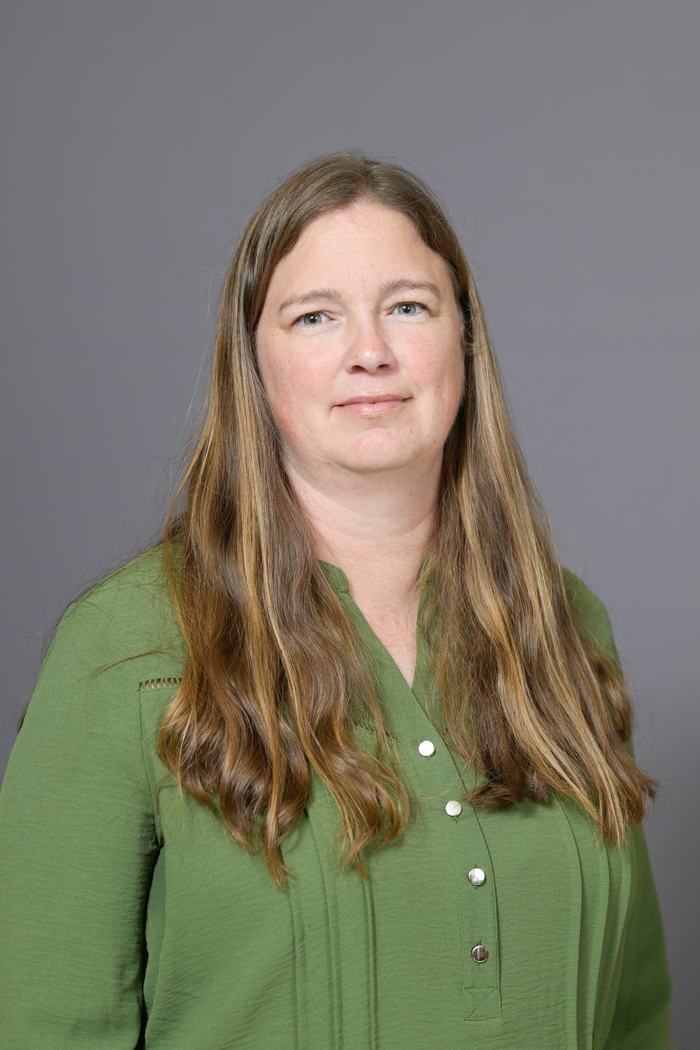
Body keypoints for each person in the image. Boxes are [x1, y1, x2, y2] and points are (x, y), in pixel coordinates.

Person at [0, 149, 672, 1049]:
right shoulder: (125, 646)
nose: (370, 353)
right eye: (315, 316)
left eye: (408, 307)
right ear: (254, 363)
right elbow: (48, 1022)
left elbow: (634, 1012)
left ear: (465, 339)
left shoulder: (565, 623)